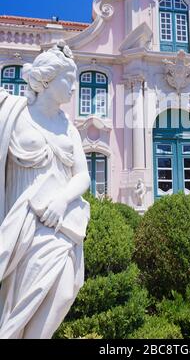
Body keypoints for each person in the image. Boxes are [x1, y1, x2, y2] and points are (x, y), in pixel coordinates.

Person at [0, 42, 91, 339]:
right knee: (18, 301)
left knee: (64, 292)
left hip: (60, 225)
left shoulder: (69, 129)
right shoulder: (13, 115)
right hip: (21, 224)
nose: (74, 88)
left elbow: (83, 177)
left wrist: (63, 200)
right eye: (69, 80)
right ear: (49, 79)